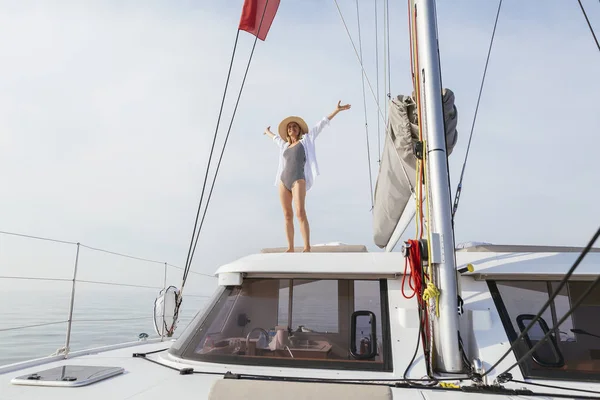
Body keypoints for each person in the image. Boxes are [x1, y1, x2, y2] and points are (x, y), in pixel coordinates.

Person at [263, 101, 351, 252]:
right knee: (287, 214)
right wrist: (268, 132)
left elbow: (321, 124)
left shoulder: (306, 140)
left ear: (299, 130)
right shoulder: (284, 145)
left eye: (294, 127)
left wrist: (336, 110)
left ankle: (306, 247)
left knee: (300, 212)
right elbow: (275, 139)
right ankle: (290, 247)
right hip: (283, 181)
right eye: (289, 127)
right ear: (287, 131)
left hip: (298, 179)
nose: (292, 129)